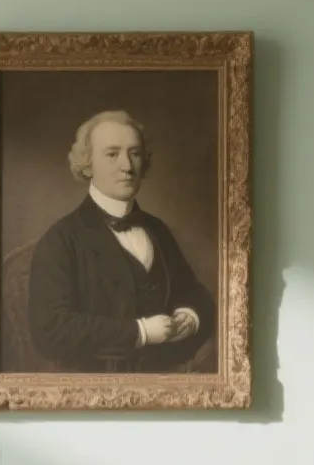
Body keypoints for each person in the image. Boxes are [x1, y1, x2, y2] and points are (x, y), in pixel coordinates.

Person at [27, 110, 214, 373]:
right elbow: (51, 331)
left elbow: (195, 293)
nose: (127, 166)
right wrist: (140, 331)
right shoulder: (61, 239)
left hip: (168, 387)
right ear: (87, 163)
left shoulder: (158, 230)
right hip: (94, 389)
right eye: (112, 154)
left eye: (135, 153)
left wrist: (190, 317)